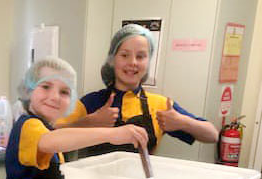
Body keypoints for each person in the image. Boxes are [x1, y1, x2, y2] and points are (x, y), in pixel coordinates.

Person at [5, 56, 148, 179]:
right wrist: (112, 134)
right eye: (45, 86)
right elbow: (49, 141)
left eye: (64, 92)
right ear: (28, 90)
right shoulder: (28, 126)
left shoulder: (49, 130)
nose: (55, 97)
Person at [57, 24, 218, 156]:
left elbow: (212, 135)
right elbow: (51, 136)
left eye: (140, 56)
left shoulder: (160, 105)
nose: (133, 62)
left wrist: (182, 122)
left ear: (148, 62)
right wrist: (89, 122)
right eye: (125, 55)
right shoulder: (92, 102)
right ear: (112, 60)